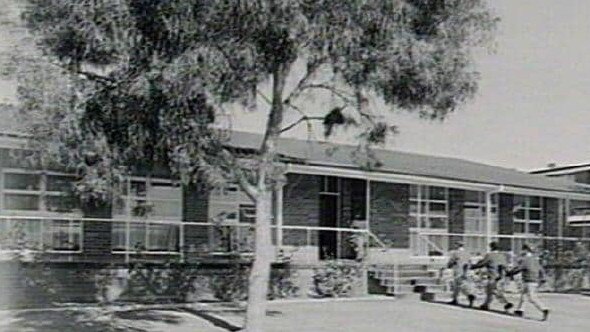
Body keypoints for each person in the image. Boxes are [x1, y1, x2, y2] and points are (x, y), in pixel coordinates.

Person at [506, 244, 550, 321]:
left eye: (522, 249)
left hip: (529, 280)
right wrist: (543, 277)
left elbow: (519, 268)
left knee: (531, 297)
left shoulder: (525, 259)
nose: (521, 251)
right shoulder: (535, 259)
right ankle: (520, 310)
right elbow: (541, 269)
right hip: (534, 280)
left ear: (526, 250)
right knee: (524, 296)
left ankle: (544, 309)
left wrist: (510, 273)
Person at [471, 241, 514, 311]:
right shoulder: (502, 256)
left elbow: (483, 263)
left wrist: (473, 266)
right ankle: (486, 304)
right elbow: (505, 266)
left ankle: (505, 303)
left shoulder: (490, 255)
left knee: (491, 290)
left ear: (491, 247)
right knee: (491, 290)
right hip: (500, 276)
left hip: (492, 275)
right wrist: (508, 273)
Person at [446, 241, 476, 307]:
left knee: (459, 285)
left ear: (458, 245)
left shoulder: (456, 253)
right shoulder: (467, 253)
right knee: (458, 286)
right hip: (466, 271)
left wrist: (449, 265)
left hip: (458, 270)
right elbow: (470, 262)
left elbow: (451, 261)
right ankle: (455, 299)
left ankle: (469, 296)